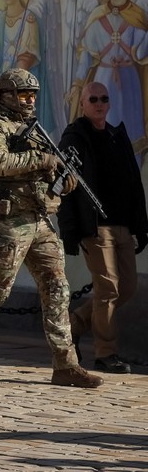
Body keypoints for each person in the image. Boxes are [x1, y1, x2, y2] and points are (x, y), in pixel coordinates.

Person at [0, 68, 103, 388]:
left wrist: (60, 182)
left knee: (57, 286)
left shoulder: (31, 129)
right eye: (23, 95)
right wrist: (42, 160)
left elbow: (41, 173)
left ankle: (65, 363)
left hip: (39, 220)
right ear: (4, 95)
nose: (30, 101)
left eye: (33, 95)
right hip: (7, 222)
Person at [58, 81, 147, 374]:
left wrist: (140, 226)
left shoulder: (115, 136)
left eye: (103, 99)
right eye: (93, 99)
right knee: (107, 289)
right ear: (83, 104)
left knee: (128, 289)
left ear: (109, 103)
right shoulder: (74, 137)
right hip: (95, 227)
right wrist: (71, 231)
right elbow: (64, 187)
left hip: (122, 226)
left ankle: (73, 325)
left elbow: (134, 184)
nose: (99, 103)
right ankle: (106, 354)